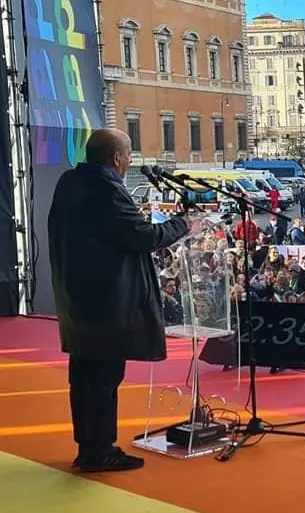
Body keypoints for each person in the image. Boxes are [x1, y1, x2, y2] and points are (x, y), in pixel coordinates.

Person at [49, 129, 192, 472]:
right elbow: (141, 236)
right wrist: (183, 224)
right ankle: (99, 451)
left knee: (84, 378)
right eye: (128, 155)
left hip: (77, 299)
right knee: (102, 378)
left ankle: (89, 445)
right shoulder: (106, 191)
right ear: (116, 158)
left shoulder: (69, 183)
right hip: (106, 302)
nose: (129, 162)